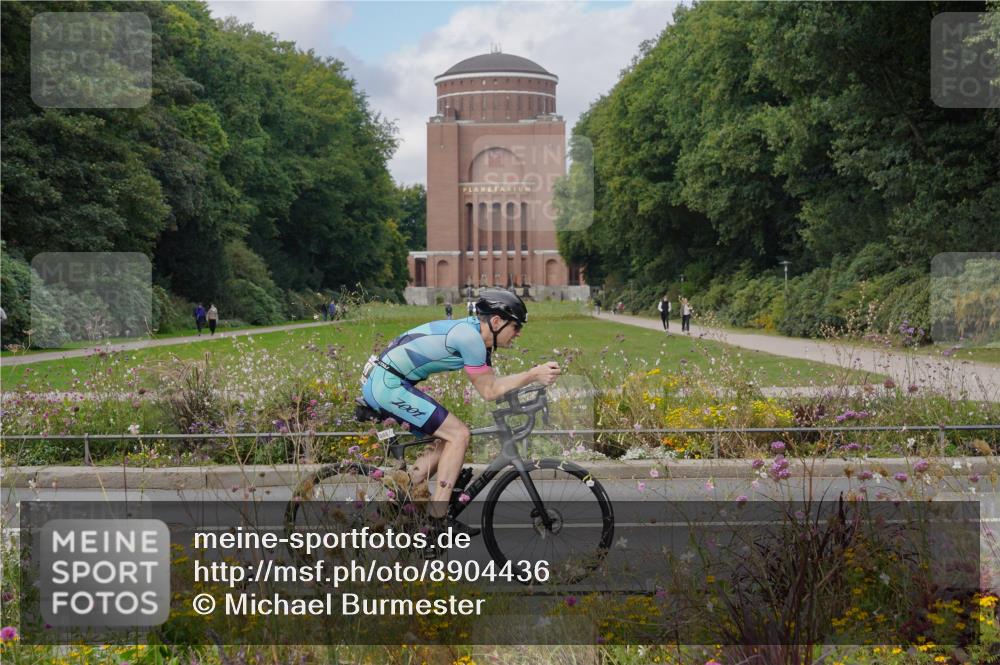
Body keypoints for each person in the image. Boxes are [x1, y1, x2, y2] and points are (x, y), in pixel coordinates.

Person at [359, 289, 560, 529]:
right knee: (458, 434)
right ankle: (437, 518)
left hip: (387, 381)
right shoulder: (470, 339)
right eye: (516, 327)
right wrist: (533, 375)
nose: (518, 334)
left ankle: (406, 490)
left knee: (447, 440)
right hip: (387, 385)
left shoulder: (478, 338)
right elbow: (490, 391)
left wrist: (525, 387)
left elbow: (494, 385)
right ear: (496, 322)